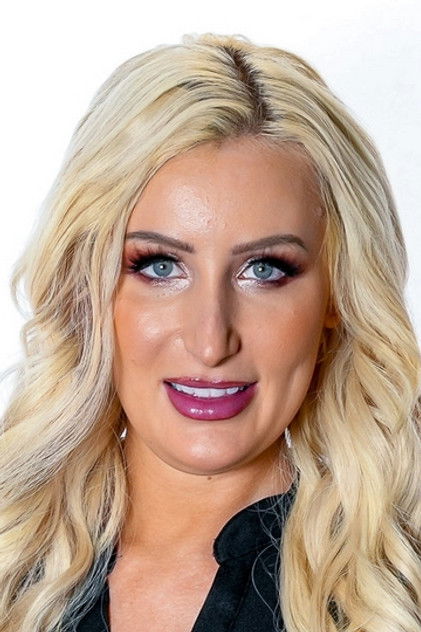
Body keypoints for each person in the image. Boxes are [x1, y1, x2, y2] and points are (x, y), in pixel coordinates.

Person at [0, 32, 420, 632]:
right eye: (159, 266)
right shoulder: (13, 568)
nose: (210, 341)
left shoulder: (400, 592)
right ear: (86, 284)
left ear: (336, 295)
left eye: (264, 269)